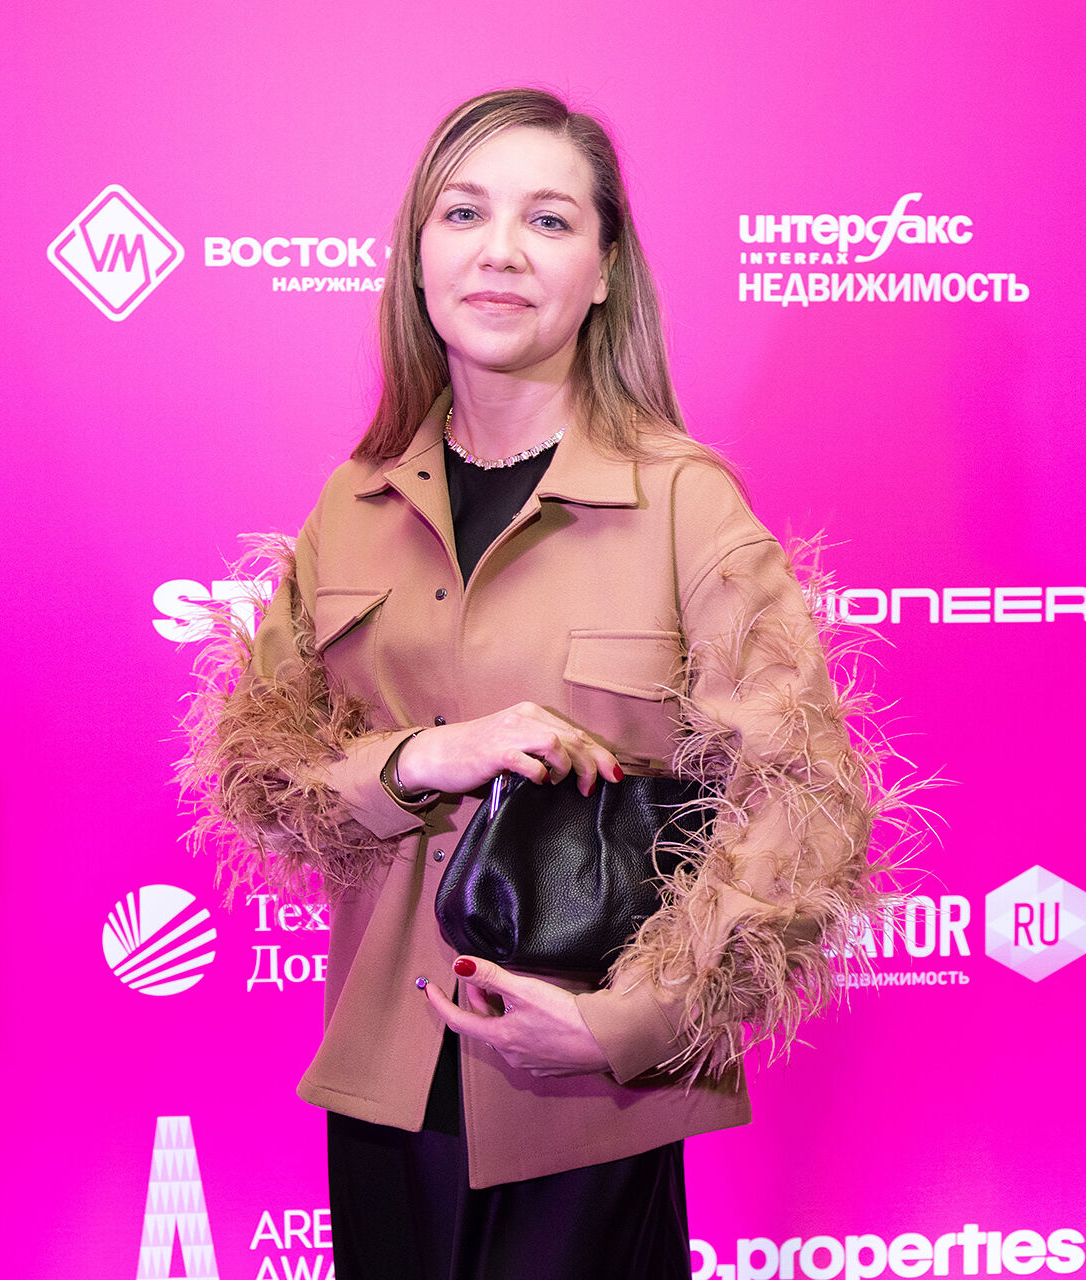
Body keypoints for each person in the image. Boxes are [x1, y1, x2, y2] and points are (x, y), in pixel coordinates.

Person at [182, 87, 908, 1280]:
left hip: (585, 1104)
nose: (502, 251)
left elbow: (807, 799)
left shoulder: (683, 500)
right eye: (465, 212)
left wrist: (625, 1023)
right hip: (386, 1092)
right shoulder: (352, 500)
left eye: (551, 219)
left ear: (606, 269)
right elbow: (261, 779)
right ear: (419, 253)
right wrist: (417, 758)